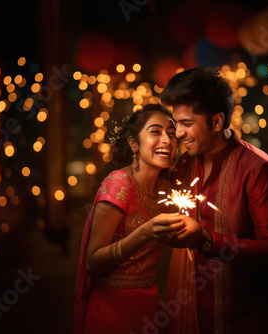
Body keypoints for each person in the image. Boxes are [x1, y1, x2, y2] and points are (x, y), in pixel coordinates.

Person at [160, 66, 268, 334]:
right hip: (190, 315)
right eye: (176, 124)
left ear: (216, 122)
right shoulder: (184, 163)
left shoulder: (258, 170)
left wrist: (207, 240)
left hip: (245, 320)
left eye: (187, 124)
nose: (179, 134)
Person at [73, 104, 187, 334]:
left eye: (172, 134)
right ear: (134, 143)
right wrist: (145, 233)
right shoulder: (119, 183)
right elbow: (92, 262)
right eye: (155, 132)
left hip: (151, 306)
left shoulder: (167, 188)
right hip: (112, 311)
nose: (167, 139)